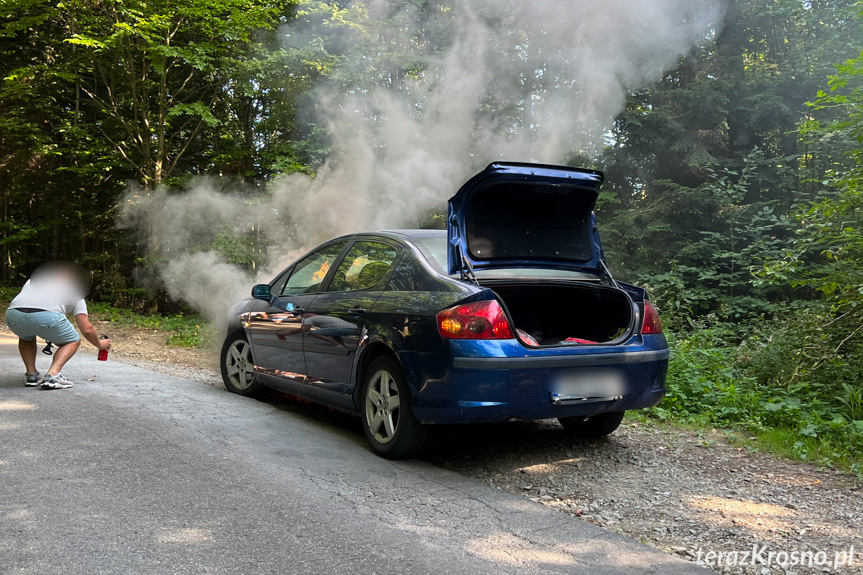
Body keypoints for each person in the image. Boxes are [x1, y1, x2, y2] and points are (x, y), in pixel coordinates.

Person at [4, 261, 111, 390]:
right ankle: (53, 375)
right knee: (73, 340)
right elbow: (86, 328)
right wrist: (100, 344)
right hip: (46, 316)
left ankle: (31, 375)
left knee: (26, 336)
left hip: (13, 315)